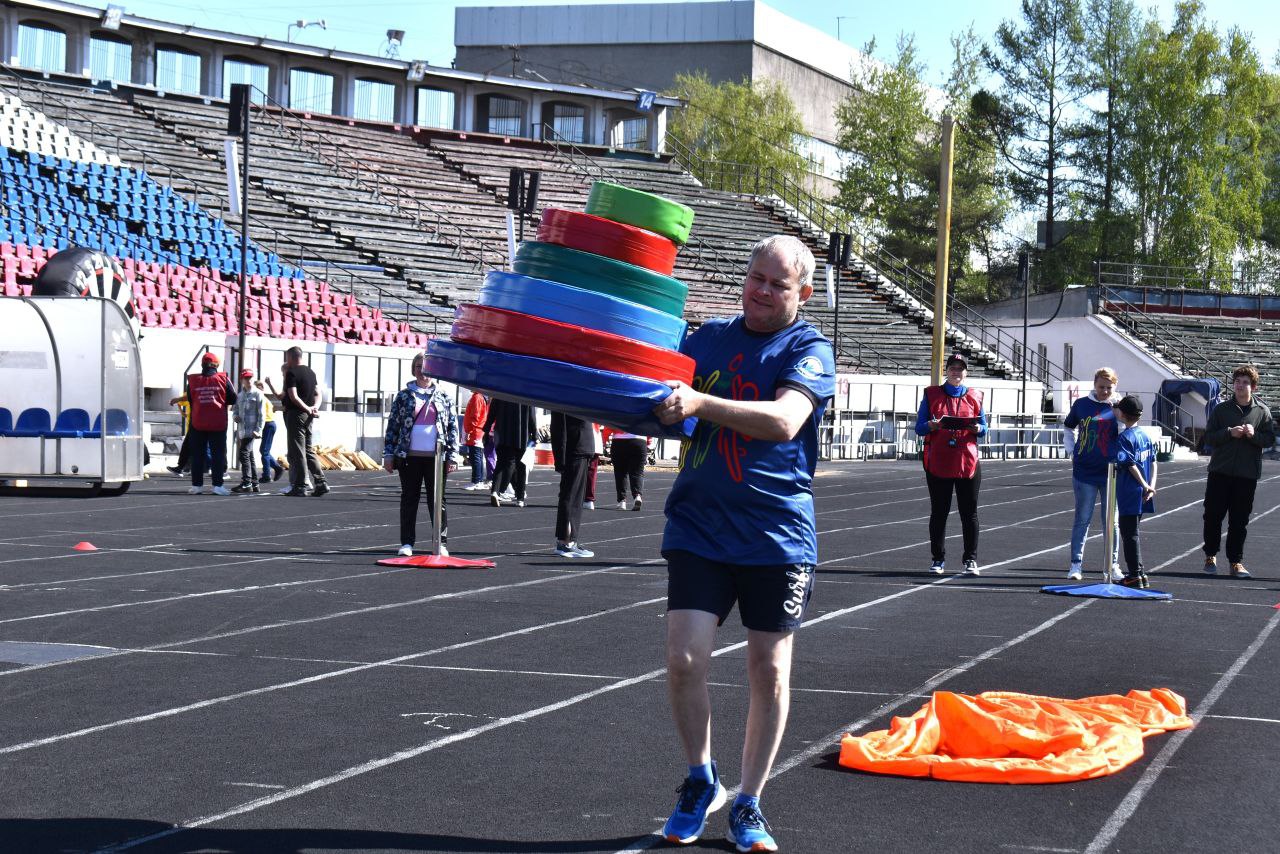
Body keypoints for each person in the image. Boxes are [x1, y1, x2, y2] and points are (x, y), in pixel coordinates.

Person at [651, 234, 835, 853]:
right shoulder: (704, 341)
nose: (760, 291)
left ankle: (750, 800)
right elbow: (645, 383)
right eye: (755, 277)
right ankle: (700, 779)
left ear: (802, 294)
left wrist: (699, 401)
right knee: (683, 660)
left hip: (775, 533)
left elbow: (784, 420)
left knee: (769, 670)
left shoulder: (809, 347)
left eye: (777, 285)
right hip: (699, 524)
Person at [915, 353, 988, 575]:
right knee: (939, 512)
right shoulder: (931, 394)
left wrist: (978, 429)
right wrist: (932, 425)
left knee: (970, 513)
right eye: (953, 368)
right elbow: (919, 428)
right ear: (946, 371)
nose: (956, 372)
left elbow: (984, 427)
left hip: (967, 462)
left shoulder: (976, 396)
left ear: (966, 372)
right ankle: (938, 559)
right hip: (939, 461)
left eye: (961, 368)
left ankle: (970, 560)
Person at [1201, 365, 1275, 578]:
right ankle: (1210, 555)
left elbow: (1269, 439)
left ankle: (1236, 561)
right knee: (1213, 515)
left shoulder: (1262, 412)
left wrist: (1254, 436)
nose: (1240, 386)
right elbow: (1209, 438)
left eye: (1245, 382)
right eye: (1237, 381)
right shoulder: (1221, 409)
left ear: (1253, 386)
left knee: (1239, 520)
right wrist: (1228, 433)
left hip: (1246, 474)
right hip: (1220, 471)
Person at [382, 352, 459, 557]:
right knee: (409, 498)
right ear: (413, 369)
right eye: (419, 367)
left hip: (436, 458)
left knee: (438, 500)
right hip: (409, 457)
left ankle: (440, 541)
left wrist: (453, 455)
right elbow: (393, 426)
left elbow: (452, 427)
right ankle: (407, 542)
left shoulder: (444, 396)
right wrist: (388, 454)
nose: (423, 372)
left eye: (427, 368)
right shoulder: (404, 396)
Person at [1063, 368, 1122, 581]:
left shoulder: (1121, 405)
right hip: (1084, 470)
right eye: (1101, 387)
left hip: (1111, 472)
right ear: (1094, 385)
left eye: (1109, 387)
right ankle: (1076, 564)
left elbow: (1127, 431)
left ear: (1115, 386)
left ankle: (1112, 564)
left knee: (1111, 521)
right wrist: (1071, 450)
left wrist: (1120, 418)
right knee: (1082, 518)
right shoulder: (1081, 404)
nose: (1105, 391)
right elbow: (1069, 427)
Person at [1114, 395, 1156, 589]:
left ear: (1122, 414)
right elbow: (1154, 462)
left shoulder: (1124, 438)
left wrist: (1144, 485)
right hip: (1143, 490)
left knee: (1129, 533)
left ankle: (1134, 574)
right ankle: (1139, 572)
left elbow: (1130, 464)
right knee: (1134, 531)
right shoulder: (1145, 435)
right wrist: (1151, 485)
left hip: (1130, 492)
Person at [279, 346, 328, 497]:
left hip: (296, 414)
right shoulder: (310, 372)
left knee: (298, 451)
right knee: (308, 449)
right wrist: (314, 408)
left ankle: (300, 485)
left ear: (291, 357)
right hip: (308, 416)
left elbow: (293, 396)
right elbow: (318, 393)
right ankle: (320, 482)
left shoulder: (291, 373)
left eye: (287, 357)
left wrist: (307, 408)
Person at [185, 351, 237, 496]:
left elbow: (190, 399)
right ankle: (217, 485)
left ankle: (196, 485)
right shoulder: (223, 378)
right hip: (218, 422)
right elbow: (233, 398)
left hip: (198, 422)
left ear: (202, 364)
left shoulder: (193, 380)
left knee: (197, 455)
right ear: (216, 365)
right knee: (218, 455)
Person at [550, 412, 596, 558]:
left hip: (580, 448)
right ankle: (565, 541)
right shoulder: (564, 396)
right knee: (570, 496)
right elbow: (558, 427)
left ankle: (569, 541)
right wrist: (560, 458)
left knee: (575, 498)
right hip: (575, 449)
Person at [485, 397, 536, 508]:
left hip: (503, 433)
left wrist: (486, 428)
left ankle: (495, 491)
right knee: (521, 466)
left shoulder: (501, 390)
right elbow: (531, 415)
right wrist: (534, 434)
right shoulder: (526, 393)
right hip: (521, 435)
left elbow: (492, 412)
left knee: (501, 463)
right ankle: (520, 499)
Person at [232, 369, 265, 494]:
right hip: (242, 430)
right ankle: (255, 483)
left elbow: (262, 414)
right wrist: (235, 417)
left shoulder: (258, 394)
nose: (249, 380)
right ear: (242, 380)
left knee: (244, 454)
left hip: (252, 431)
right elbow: (235, 410)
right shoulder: (240, 395)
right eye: (246, 378)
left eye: (250, 378)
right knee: (249, 456)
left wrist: (258, 430)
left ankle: (247, 483)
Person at [607, 428, 649, 510]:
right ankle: (637, 495)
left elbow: (609, 423)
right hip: (639, 439)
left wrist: (604, 439)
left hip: (619, 440)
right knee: (637, 472)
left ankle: (622, 501)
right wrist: (649, 440)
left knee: (620, 472)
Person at [256, 380, 285, 482]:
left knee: (264, 451)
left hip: (268, 424)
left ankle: (267, 475)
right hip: (269, 424)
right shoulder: (264, 399)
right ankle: (277, 468)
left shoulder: (260, 399)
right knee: (264, 450)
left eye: (260, 388)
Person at [461, 390, 491, 492]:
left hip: (475, 431)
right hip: (477, 430)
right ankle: (479, 481)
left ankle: (476, 481)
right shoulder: (479, 396)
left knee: (476, 457)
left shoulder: (477, 397)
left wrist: (469, 431)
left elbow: (475, 416)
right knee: (477, 456)